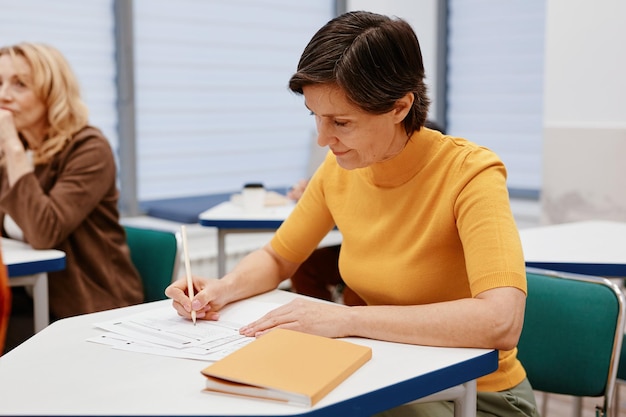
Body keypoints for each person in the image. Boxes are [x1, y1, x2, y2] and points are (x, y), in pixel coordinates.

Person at [167, 11, 538, 417]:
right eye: (315, 117)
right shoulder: (341, 170)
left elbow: (501, 320)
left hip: (476, 394)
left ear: (399, 107)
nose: (324, 139)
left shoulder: (471, 174)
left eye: (341, 122)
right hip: (386, 370)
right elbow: (278, 258)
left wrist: (346, 320)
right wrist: (223, 289)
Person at [0, 42, 143, 350]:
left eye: (19, 84)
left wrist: (11, 147)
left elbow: (43, 231)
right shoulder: (14, 151)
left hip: (87, 306)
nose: (4, 95)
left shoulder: (89, 148)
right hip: (30, 301)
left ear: (52, 93)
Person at [288, 120, 445, 307]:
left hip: (397, 254)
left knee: (359, 292)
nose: (325, 139)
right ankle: (322, 312)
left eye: (341, 122)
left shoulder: (442, 181)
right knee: (306, 264)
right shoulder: (351, 165)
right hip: (356, 247)